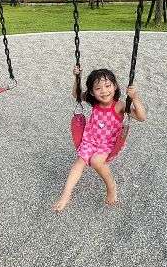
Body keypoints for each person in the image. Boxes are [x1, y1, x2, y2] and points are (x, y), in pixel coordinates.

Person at [52, 66, 147, 212]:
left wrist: (135, 98)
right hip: (90, 140)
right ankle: (66, 194)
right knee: (79, 163)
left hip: (108, 144)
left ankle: (111, 187)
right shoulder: (94, 102)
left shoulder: (119, 105)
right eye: (98, 88)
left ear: (115, 86)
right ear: (91, 92)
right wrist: (77, 78)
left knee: (96, 161)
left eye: (108, 86)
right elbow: (76, 94)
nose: (104, 91)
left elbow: (141, 117)